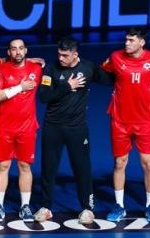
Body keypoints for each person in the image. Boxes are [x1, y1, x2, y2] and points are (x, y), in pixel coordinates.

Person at [37, 37, 112, 225]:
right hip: (52, 127)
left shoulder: (88, 67)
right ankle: (45, 208)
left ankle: (88, 209)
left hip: (77, 129)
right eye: (59, 54)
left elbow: (110, 79)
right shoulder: (51, 69)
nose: (61, 58)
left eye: (65, 55)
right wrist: (66, 86)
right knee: (48, 169)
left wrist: (117, 64)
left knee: (82, 169)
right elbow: (44, 96)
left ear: (75, 55)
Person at [100, 28, 150, 223]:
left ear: (142, 42)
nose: (126, 43)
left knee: (149, 164)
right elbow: (104, 70)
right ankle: (119, 206)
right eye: (126, 39)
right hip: (120, 121)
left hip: (144, 121)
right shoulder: (116, 57)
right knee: (120, 163)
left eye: (131, 40)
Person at [0, 39, 43, 223]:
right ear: (9, 52)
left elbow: (42, 63)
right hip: (4, 127)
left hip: (27, 128)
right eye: (14, 49)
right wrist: (20, 87)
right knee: (3, 166)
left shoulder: (36, 68)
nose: (18, 52)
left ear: (26, 50)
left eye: (21, 48)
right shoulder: (0, 70)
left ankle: (25, 206)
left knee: (25, 166)